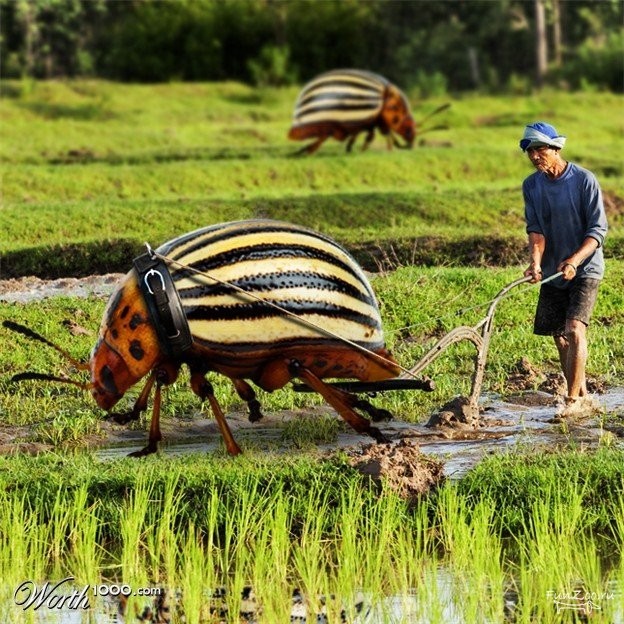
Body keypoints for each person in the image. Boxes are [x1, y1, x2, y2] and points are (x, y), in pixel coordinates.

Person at [520, 121, 608, 417]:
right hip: (553, 269)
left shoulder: (584, 180)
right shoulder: (531, 185)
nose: (534, 156)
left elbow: (597, 231)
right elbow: (536, 230)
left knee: (574, 330)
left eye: (539, 149)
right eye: (530, 151)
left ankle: (571, 403)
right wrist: (534, 263)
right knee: (559, 335)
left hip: (584, 267)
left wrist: (574, 260)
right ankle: (580, 391)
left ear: (556, 148)